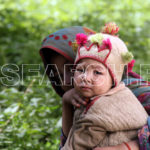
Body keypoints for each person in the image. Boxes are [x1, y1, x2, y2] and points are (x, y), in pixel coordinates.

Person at [39, 25, 150, 150]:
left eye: (71, 68)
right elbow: (68, 145)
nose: (65, 80)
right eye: (58, 74)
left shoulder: (136, 91)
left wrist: (129, 146)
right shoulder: (84, 98)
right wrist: (67, 104)